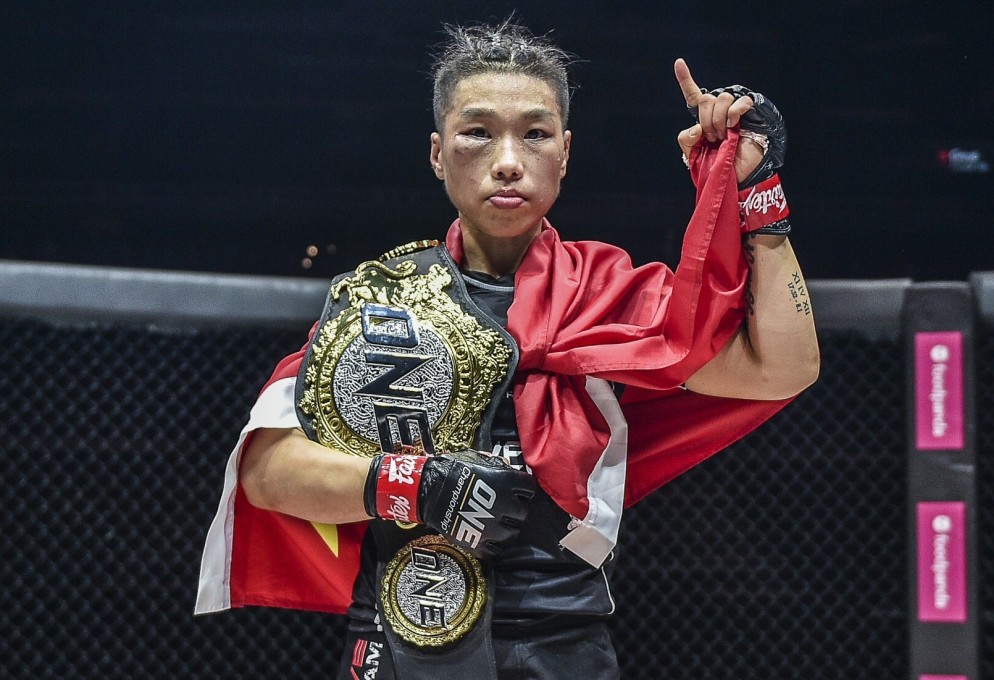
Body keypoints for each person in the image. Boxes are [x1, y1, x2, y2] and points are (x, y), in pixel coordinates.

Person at [196, 19, 819, 680]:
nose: (509, 160)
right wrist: (415, 485)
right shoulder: (384, 301)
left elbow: (782, 368)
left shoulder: (611, 297)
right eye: (478, 132)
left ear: (566, 152)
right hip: (400, 641)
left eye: (535, 133)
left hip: (562, 645)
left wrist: (758, 192)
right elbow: (268, 470)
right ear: (438, 154)